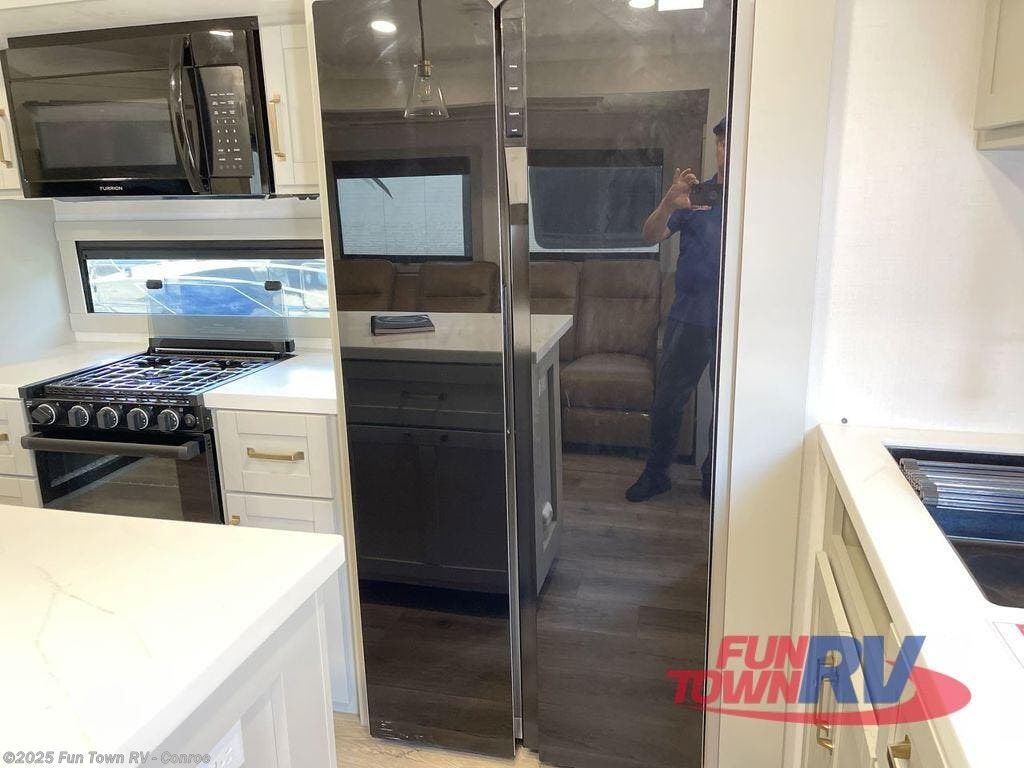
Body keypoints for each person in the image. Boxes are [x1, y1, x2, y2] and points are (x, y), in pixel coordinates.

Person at [626, 116, 726, 503]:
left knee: (728, 405)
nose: (725, 150)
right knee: (668, 401)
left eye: (733, 142)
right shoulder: (696, 197)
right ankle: (657, 475)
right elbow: (650, 235)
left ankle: (714, 477)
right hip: (689, 318)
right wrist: (669, 202)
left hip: (736, 324)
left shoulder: (758, 199)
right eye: (721, 142)